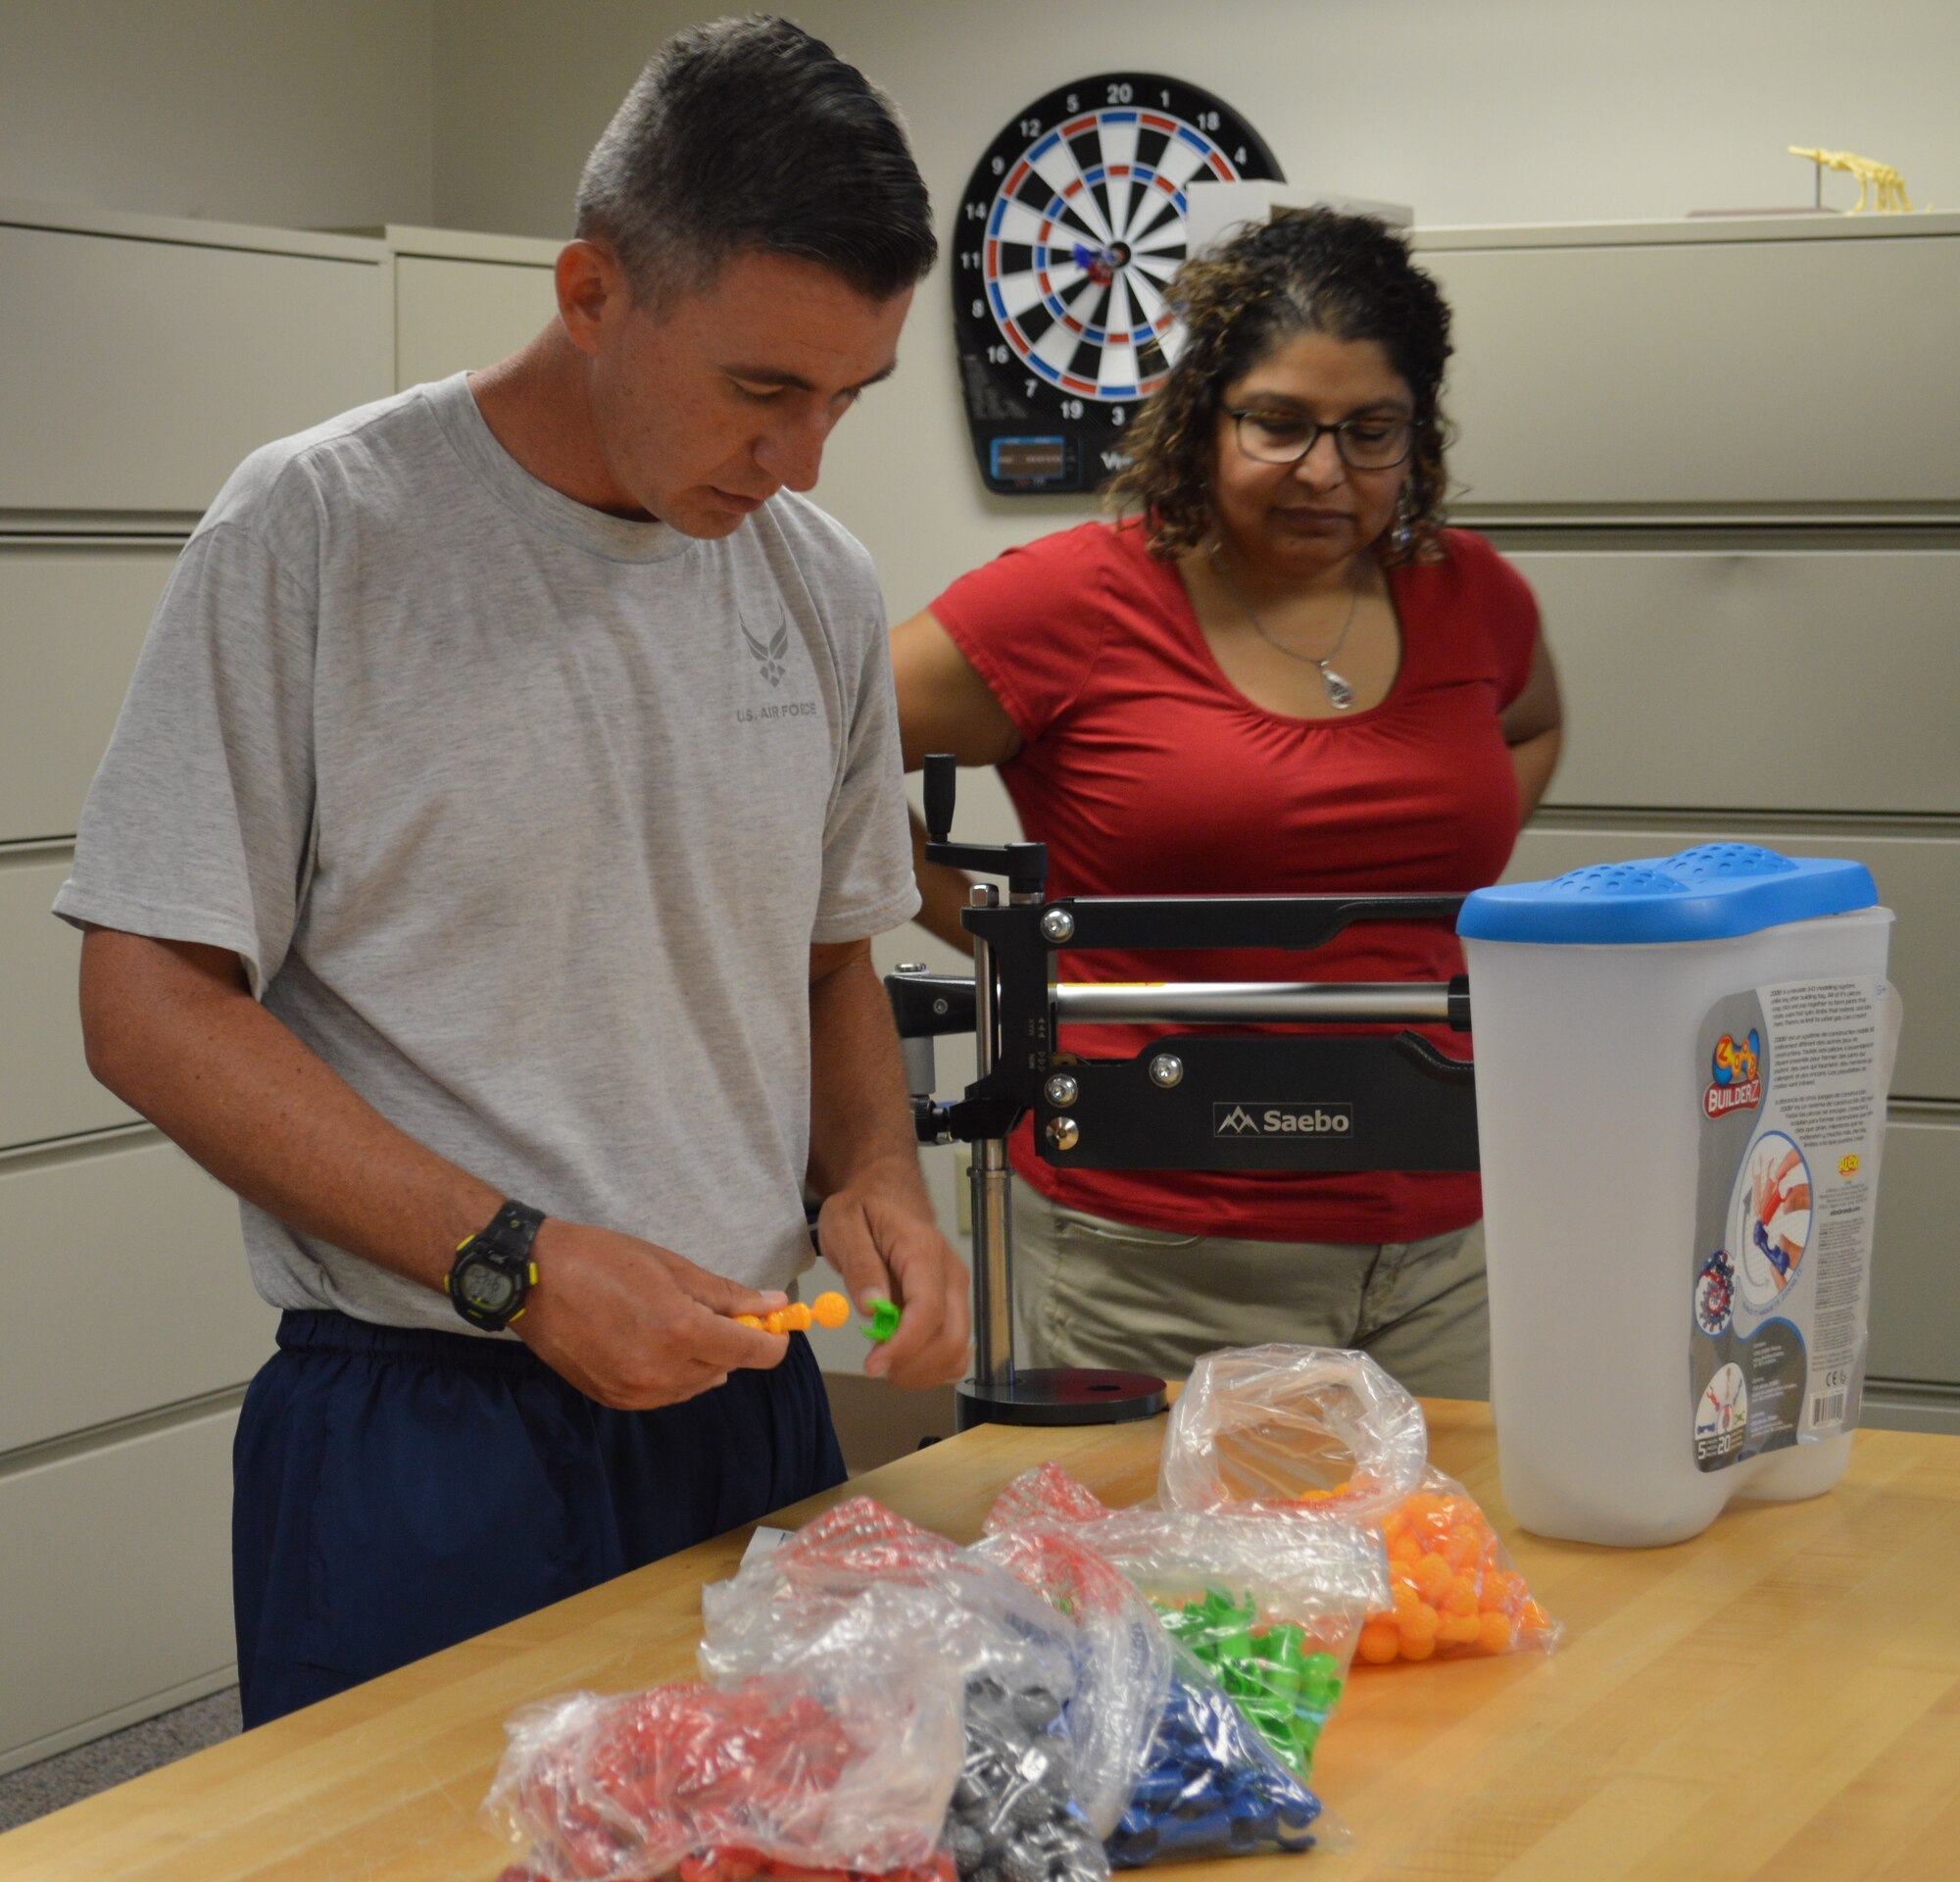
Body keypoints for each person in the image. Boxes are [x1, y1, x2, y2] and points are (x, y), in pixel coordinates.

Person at [57, 16, 968, 1727]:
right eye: (764, 389)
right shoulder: (318, 531)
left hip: (749, 1395)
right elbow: (146, 1001)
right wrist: (519, 1262)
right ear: (592, 288)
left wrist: (880, 1177)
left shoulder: (819, 583)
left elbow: (835, 956)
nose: (804, 460)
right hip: (429, 1409)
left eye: (848, 397)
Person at [890, 210, 1561, 1398]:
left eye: (1370, 432)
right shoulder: (1068, 603)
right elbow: (798, 760)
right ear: (1203, 415)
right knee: (1174, 1586)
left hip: (1444, 1238)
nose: (1324, 472)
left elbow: (1528, 721)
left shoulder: (1472, 595)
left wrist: (1399, 909)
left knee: (1438, 1578)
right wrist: (1012, 944)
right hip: (1150, 1248)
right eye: (1280, 424)